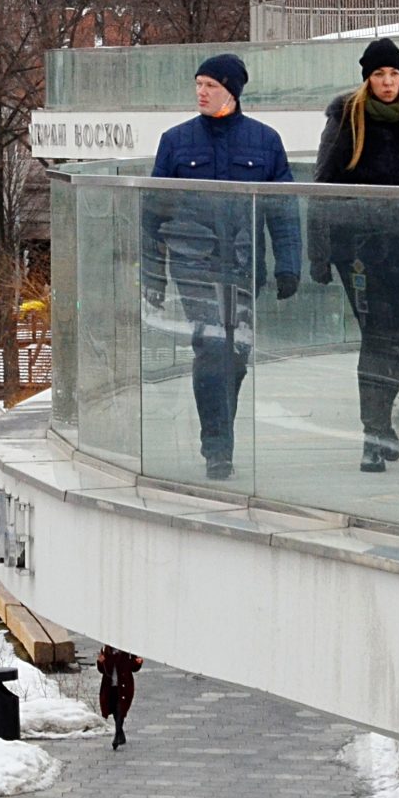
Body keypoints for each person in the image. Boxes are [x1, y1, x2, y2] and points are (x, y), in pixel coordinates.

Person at [141, 53, 304, 480]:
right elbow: (152, 216)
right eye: (198, 84)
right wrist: (153, 275)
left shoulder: (265, 141)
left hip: (246, 265)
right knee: (212, 346)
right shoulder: (175, 141)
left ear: (231, 89)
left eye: (210, 85)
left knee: (237, 354)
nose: (201, 92)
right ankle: (217, 446)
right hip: (194, 265)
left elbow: (283, 210)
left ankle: (221, 430)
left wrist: (289, 265)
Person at [309, 37, 399, 473]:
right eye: (379, 75)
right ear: (367, 79)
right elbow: (321, 185)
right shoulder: (347, 116)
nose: (387, 82)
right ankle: (374, 432)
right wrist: (320, 252)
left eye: (393, 74)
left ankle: (381, 423)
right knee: (377, 336)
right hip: (358, 249)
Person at [96, 645, 143, 748]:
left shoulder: (127, 652)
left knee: (120, 709)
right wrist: (100, 661)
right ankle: (120, 734)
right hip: (109, 686)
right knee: (114, 709)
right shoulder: (106, 650)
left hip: (124, 686)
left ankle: (117, 736)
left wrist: (138, 662)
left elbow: (133, 667)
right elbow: (102, 669)